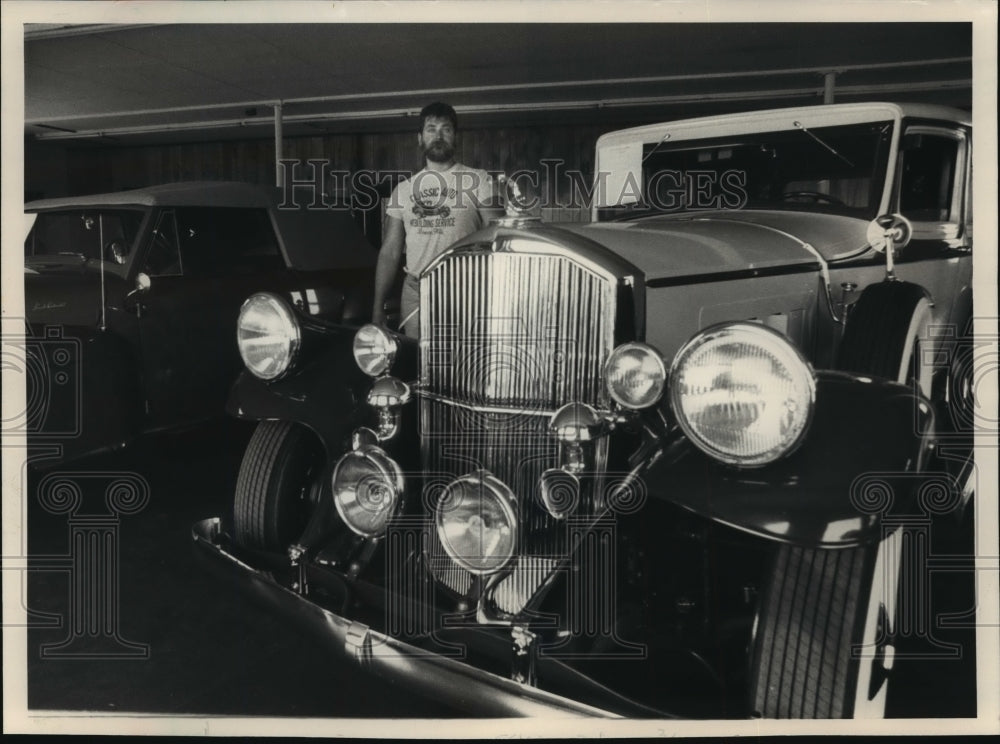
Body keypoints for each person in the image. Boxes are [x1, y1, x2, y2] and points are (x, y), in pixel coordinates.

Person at [372, 102, 502, 337]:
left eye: (446, 129)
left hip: (465, 286)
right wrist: (377, 307)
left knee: (463, 354)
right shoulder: (403, 190)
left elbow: (499, 237)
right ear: (420, 138)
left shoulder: (479, 180)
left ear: (456, 137)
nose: (438, 136)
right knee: (416, 355)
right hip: (416, 289)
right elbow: (390, 251)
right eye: (431, 129)